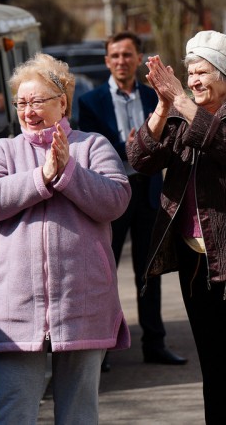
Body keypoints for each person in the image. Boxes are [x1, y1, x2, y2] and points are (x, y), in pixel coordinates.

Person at [127, 30, 226, 424]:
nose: (194, 80)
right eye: (190, 73)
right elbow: (140, 158)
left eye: (201, 72)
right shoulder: (183, 116)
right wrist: (164, 107)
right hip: (198, 266)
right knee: (217, 372)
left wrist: (181, 101)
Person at [0, 52, 131, 424]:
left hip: (83, 303)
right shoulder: (3, 150)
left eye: (38, 101)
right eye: (21, 102)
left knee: (78, 413)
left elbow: (116, 200)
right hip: (15, 307)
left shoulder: (92, 146)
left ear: (63, 103)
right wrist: (41, 177)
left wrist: (68, 171)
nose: (28, 111)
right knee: (13, 412)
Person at [78, 32, 186, 370]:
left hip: (149, 191)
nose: (122, 61)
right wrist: (127, 146)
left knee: (149, 271)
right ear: (107, 61)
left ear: (139, 58)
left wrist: (145, 143)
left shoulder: (152, 96)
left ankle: (154, 343)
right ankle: (103, 347)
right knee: (104, 272)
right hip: (111, 191)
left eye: (128, 55)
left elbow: (167, 133)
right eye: (115, 56)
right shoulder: (90, 101)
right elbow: (90, 147)